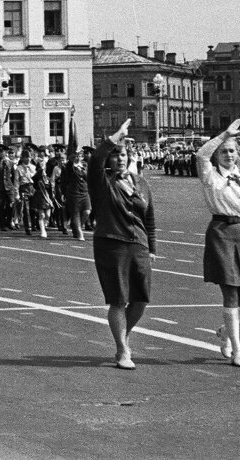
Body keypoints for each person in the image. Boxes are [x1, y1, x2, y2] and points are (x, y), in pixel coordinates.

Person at [196, 119, 240, 368]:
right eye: (224, 151)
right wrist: (224, 135)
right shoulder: (210, 176)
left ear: (238, 154)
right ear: (217, 155)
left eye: (232, 151)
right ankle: (236, 349)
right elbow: (201, 154)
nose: (228, 155)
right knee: (230, 293)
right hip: (221, 233)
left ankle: (225, 331)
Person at [90, 119, 157, 370]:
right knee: (118, 299)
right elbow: (96, 160)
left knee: (140, 299)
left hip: (138, 245)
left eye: (124, 154)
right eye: (115, 155)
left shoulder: (140, 183)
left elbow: (149, 218)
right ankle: (121, 350)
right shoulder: (102, 182)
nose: (119, 158)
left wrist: (151, 248)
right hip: (112, 244)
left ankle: (124, 336)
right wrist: (114, 137)